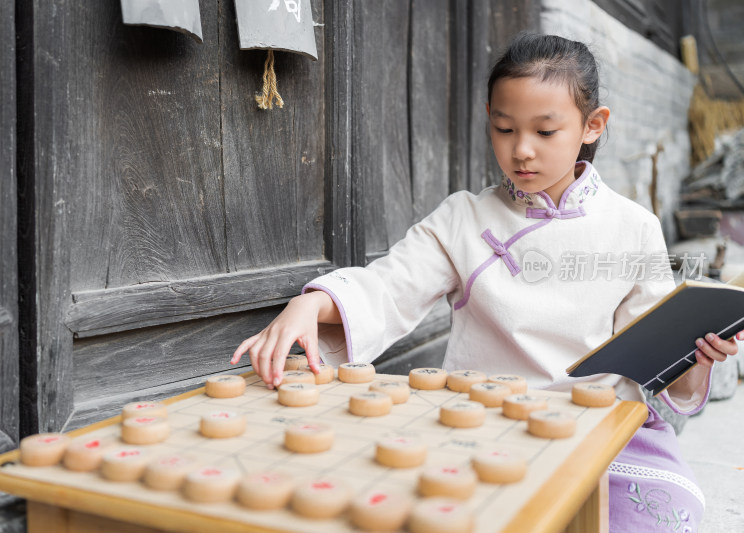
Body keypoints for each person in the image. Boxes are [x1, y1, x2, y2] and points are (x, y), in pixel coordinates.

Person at [231, 33, 741, 531]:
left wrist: (696, 359)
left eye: (545, 132)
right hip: (481, 418)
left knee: (654, 514)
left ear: (592, 125)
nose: (521, 151)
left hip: (596, 422)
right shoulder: (464, 218)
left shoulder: (635, 227)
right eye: (504, 128)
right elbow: (389, 285)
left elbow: (649, 358)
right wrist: (314, 303)